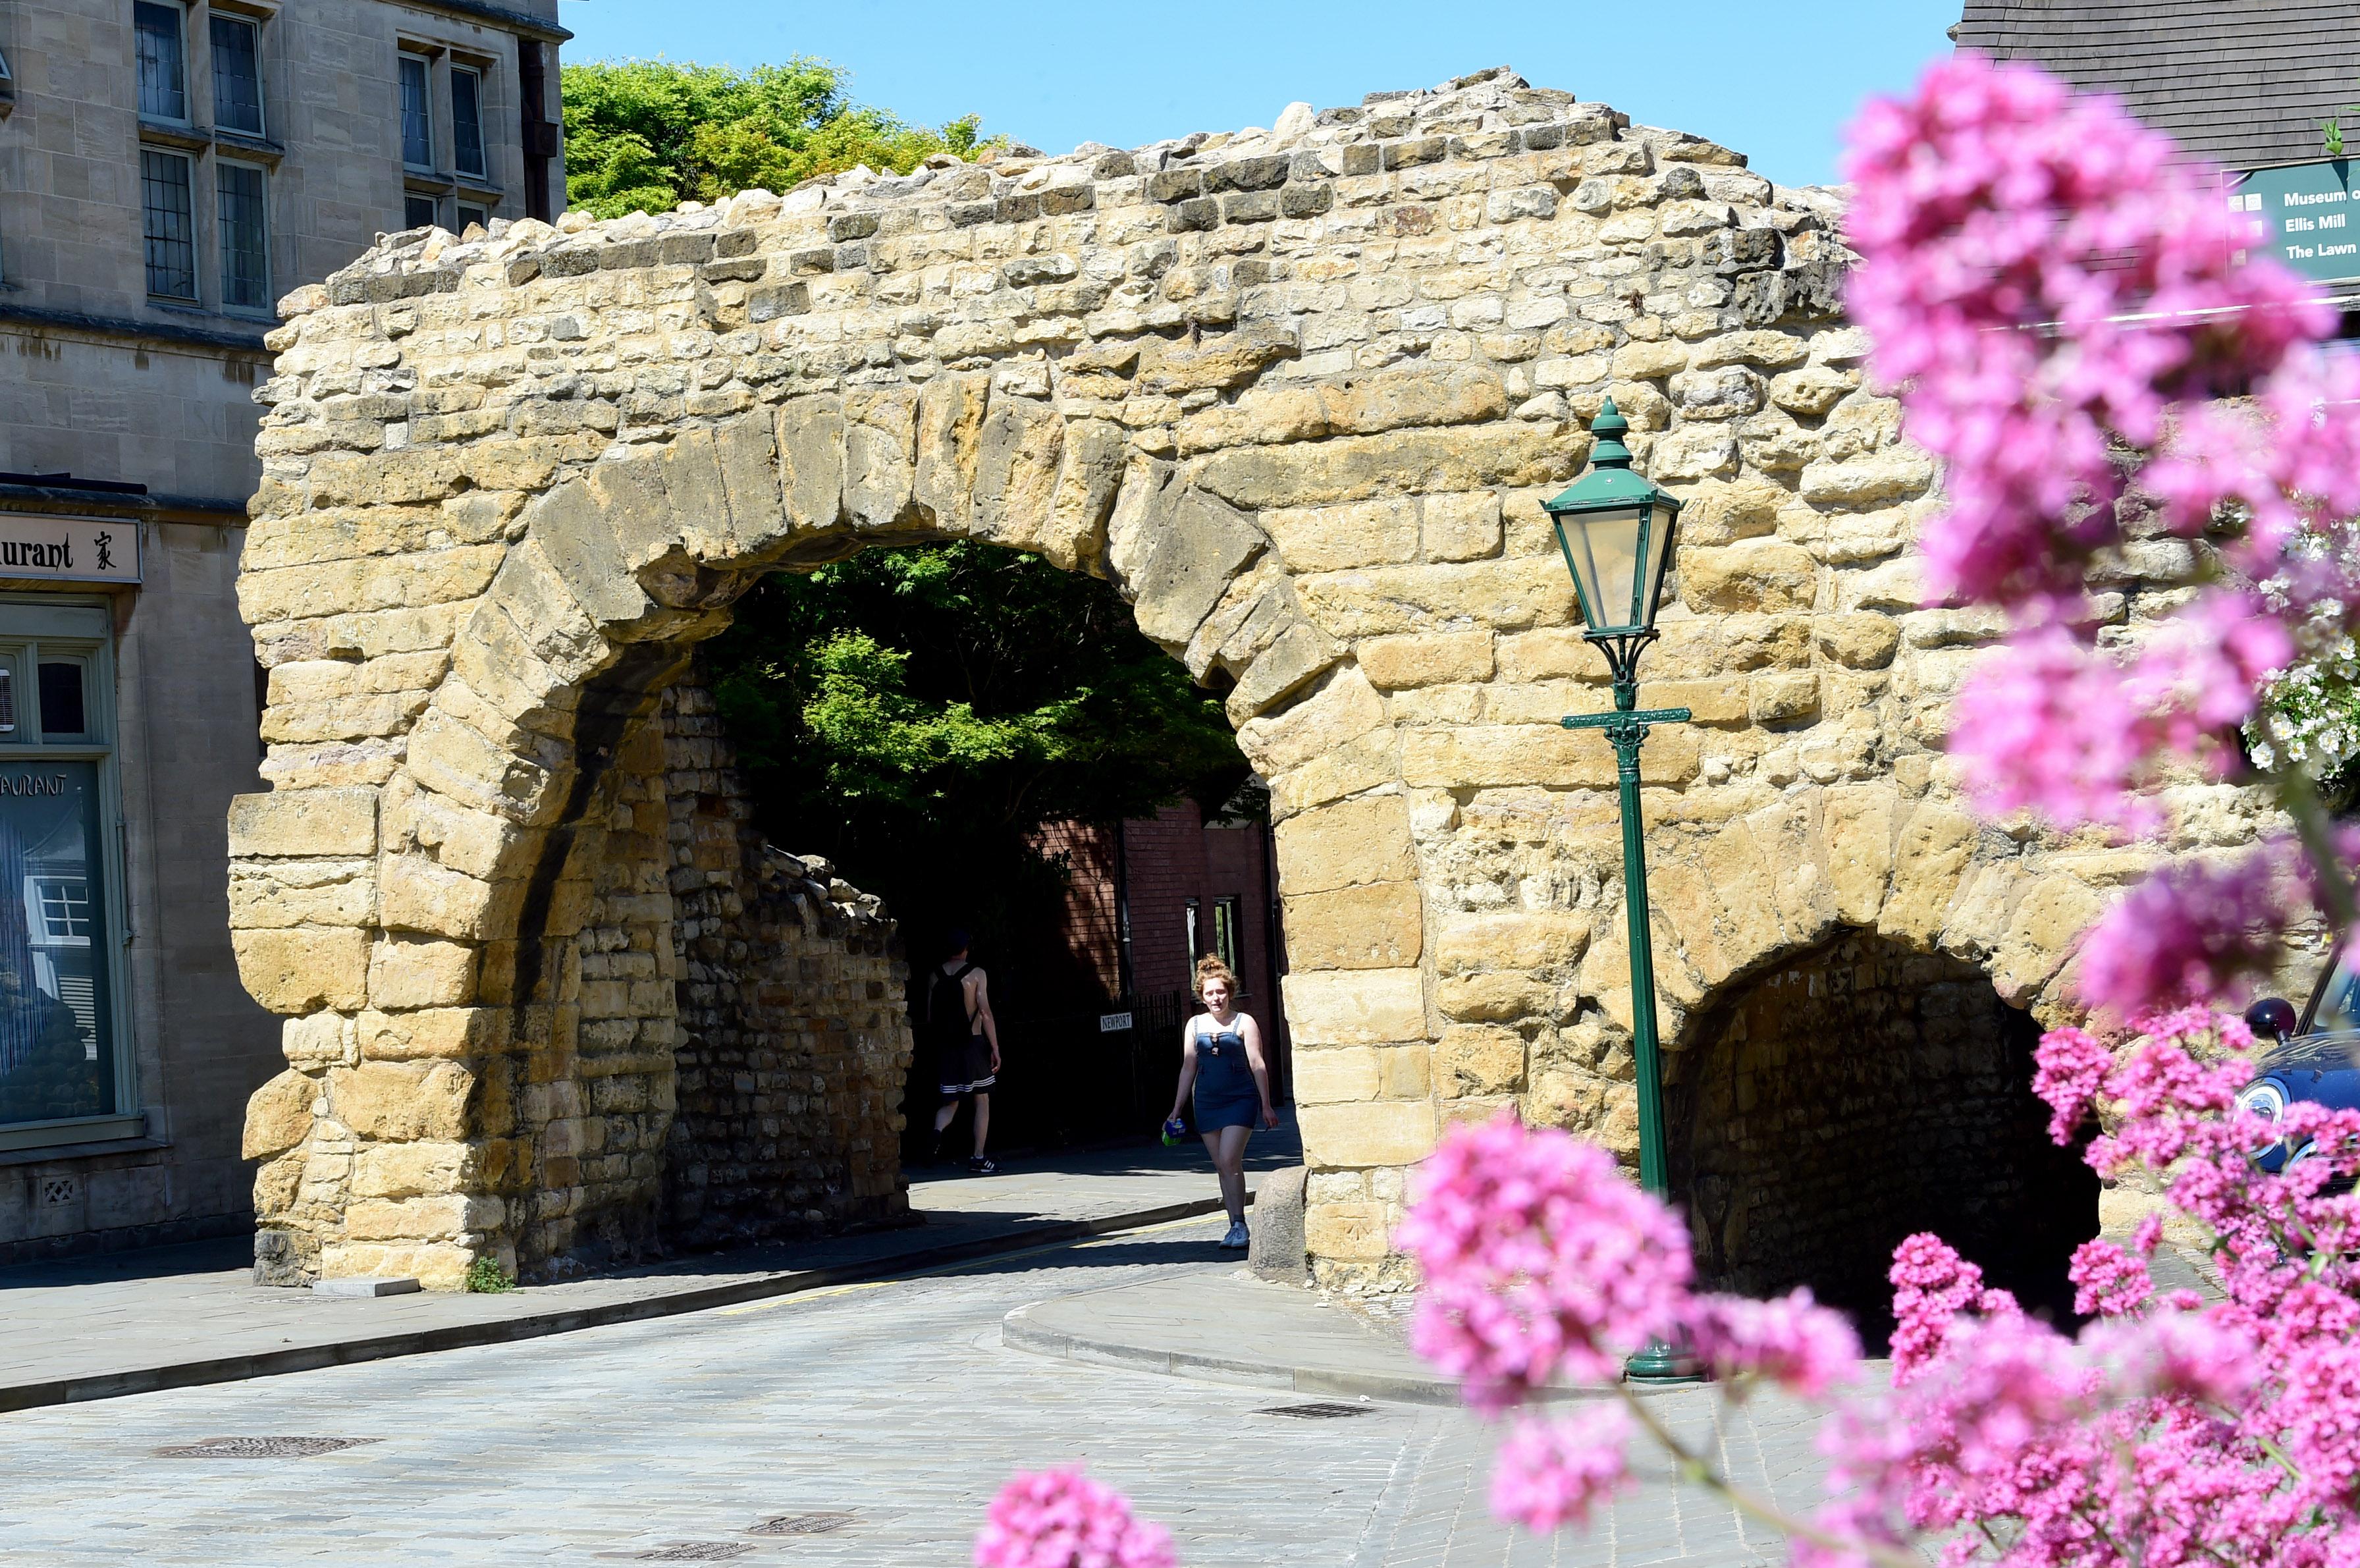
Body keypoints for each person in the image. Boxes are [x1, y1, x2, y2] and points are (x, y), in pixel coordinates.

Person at [1167, 954, 1277, 1250]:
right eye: (1209, 993)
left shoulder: (1245, 1022)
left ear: (1230, 992)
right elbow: (1188, 1066)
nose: (1216, 998)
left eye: (1221, 992)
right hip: (1206, 1102)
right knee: (1220, 1165)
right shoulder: (1194, 1025)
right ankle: (1234, 1226)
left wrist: (1266, 1104)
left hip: (1240, 1099)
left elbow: (1258, 1064)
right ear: (1201, 997)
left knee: (1230, 1159)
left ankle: (1240, 1223)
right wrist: (1177, 1109)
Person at [923, 929, 1000, 1174]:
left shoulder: (934, 976)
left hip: (947, 1048)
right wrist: (996, 1048)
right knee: (982, 1100)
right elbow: (985, 1012)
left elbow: (929, 1017)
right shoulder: (977, 974)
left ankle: (936, 1133)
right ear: (967, 948)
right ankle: (978, 1157)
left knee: (951, 1103)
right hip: (973, 1045)